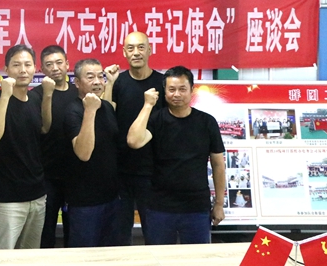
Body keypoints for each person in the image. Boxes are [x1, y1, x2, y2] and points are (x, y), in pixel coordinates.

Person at [127, 66, 226, 245]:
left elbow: (218, 164)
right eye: (171, 89)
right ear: (164, 91)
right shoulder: (156, 119)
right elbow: (134, 141)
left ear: (192, 90)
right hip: (160, 207)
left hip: (196, 206)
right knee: (159, 257)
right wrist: (148, 105)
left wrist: (219, 204)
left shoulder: (207, 122)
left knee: (198, 257)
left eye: (182, 89)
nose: (177, 94)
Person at [0, 44, 53, 250]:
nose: (23, 70)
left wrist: (48, 96)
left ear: (35, 68)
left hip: (36, 195)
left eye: (27, 65)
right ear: (6, 69)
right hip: (7, 200)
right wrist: (5, 95)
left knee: (29, 259)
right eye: (16, 65)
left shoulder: (35, 98)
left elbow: (44, 127)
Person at [104, 31, 165, 245]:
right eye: (130, 48)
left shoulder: (163, 82)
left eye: (141, 47)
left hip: (153, 171)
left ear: (150, 50)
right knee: (120, 234)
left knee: (155, 232)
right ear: (124, 52)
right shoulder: (118, 82)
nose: (136, 52)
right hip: (121, 170)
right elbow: (106, 115)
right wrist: (109, 84)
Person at [64, 59, 120, 247]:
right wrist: (89, 111)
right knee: (84, 255)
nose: (97, 81)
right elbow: (83, 153)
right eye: (90, 77)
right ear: (77, 82)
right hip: (85, 203)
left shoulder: (107, 107)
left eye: (100, 76)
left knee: (110, 255)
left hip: (112, 198)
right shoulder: (73, 110)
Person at [31, 45, 78, 248]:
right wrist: (48, 95)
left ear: (67, 64)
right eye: (49, 64)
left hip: (75, 175)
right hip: (46, 175)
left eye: (59, 63)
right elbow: (42, 128)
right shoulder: (36, 95)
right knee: (45, 230)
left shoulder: (78, 92)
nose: (55, 68)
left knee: (74, 230)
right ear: (41, 69)